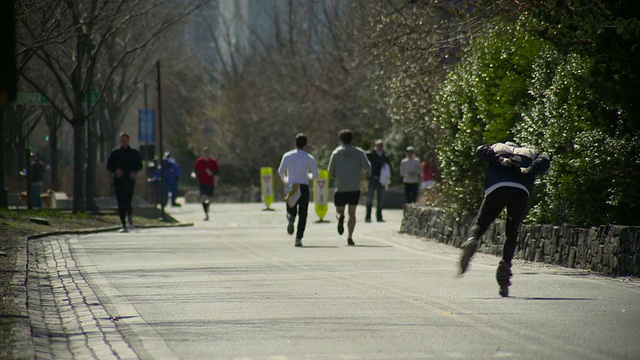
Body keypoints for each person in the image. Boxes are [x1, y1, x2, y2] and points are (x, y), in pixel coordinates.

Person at [459, 141, 551, 297]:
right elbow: (545, 159)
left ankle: (473, 239)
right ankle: (505, 265)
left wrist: (499, 160)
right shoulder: (530, 151)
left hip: (497, 188)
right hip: (520, 191)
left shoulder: (497, 147)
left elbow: (480, 150)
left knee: (481, 223)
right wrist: (530, 170)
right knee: (512, 231)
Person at [328, 129, 371, 246]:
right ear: (352, 139)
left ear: (341, 139)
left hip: (341, 187)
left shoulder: (336, 153)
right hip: (354, 187)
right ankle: (350, 237)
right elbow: (368, 167)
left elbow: (330, 171)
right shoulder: (359, 152)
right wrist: (363, 174)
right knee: (352, 213)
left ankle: (340, 217)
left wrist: (336, 176)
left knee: (339, 211)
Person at [277, 133, 319, 247]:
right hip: (303, 186)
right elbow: (315, 175)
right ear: (306, 145)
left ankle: (290, 218)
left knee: (291, 208)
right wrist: (308, 176)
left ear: (295, 143)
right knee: (303, 213)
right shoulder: (309, 158)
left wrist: (286, 180)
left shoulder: (287, 155)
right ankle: (299, 238)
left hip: (291, 185)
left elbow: (280, 171)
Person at [107, 132, 143, 233]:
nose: (123, 142)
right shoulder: (115, 153)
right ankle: (123, 223)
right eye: (122, 140)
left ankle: (129, 216)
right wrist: (116, 170)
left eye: (125, 140)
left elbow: (139, 165)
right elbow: (109, 166)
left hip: (129, 180)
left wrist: (134, 172)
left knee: (128, 200)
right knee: (120, 202)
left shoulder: (134, 153)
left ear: (128, 141)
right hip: (118, 181)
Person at [365, 139, 390, 222]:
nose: (380, 147)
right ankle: (368, 217)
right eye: (378, 145)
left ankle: (379, 217)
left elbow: (388, 168)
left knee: (380, 199)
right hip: (372, 178)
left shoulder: (385, 157)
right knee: (370, 198)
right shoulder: (370, 155)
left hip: (381, 180)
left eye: (381, 146)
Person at [191, 147, 219, 221]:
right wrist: (194, 174)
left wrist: (211, 173)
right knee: (203, 197)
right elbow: (195, 170)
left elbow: (217, 172)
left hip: (210, 182)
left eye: (208, 153)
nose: (206, 154)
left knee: (210, 198)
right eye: (205, 153)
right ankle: (206, 213)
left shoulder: (213, 161)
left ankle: (207, 207)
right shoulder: (199, 161)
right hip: (202, 181)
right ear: (203, 153)